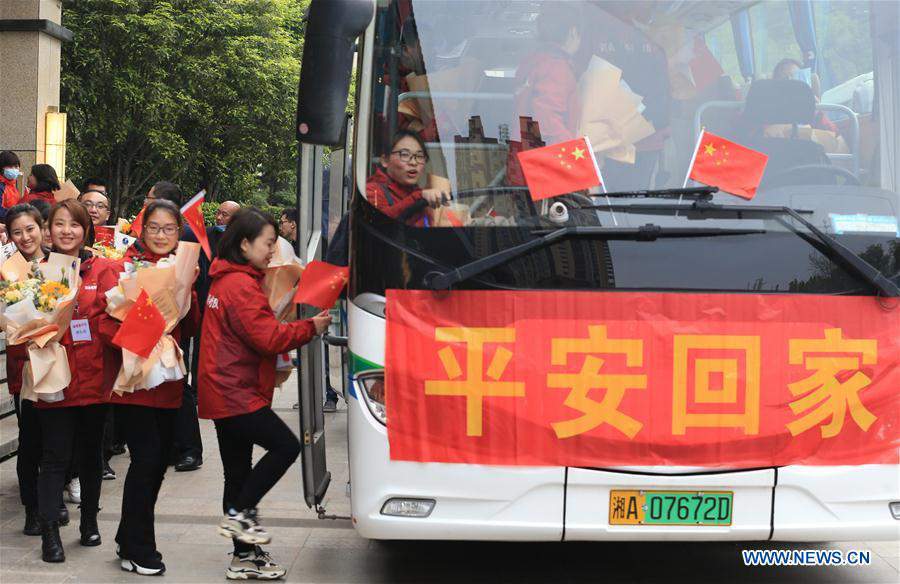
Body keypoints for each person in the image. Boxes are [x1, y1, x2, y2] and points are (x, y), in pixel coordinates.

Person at [198, 208, 331, 580]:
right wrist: (312, 326)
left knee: (236, 473)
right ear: (245, 244)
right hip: (234, 391)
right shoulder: (239, 285)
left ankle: (244, 556)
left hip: (224, 387)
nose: (273, 250)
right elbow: (268, 338)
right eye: (269, 243)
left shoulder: (228, 279)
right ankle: (240, 515)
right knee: (286, 446)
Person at [102, 200, 200, 576]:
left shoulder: (183, 267)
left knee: (158, 462)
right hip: (136, 377)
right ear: (142, 230)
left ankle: (128, 539)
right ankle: (141, 547)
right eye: (155, 228)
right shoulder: (123, 266)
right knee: (146, 459)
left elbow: (190, 329)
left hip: (168, 380)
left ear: (179, 232)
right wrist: (145, 332)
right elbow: (105, 321)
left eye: (169, 229)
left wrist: (186, 294)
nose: (161, 235)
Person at [34, 199, 117, 563]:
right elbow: (22, 322)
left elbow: (118, 318)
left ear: (87, 230)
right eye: (59, 224)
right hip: (56, 379)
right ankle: (49, 532)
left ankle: (89, 522)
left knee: (90, 456)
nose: (66, 231)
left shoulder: (104, 269)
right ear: (48, 229)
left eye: (75, 224)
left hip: (96, 380)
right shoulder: (34, 272)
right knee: (53, 457)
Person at [4, 204, 52, 536]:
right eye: (16, 232)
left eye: (30, 229)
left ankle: (51, 503)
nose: (25, 237)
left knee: (58, 441)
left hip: (58, 362)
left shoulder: (60, 264)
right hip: (25, 366)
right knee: (31, 441)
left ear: (41, 227)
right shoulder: (7, 271)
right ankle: (32, 509)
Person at [365, 130, 449, 226]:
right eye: (404, 155)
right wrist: (418, 197)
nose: (413, 162)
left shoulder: (421, 193)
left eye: (419, 156)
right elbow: (380, 224)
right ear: (385, 161)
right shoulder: (372, 191)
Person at [771, 58, 838, 133]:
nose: (790, 84)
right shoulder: (767, 114)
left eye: (795, 78)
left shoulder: (814, 115)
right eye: (784, 79)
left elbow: (834, 137)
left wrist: (818, 114)